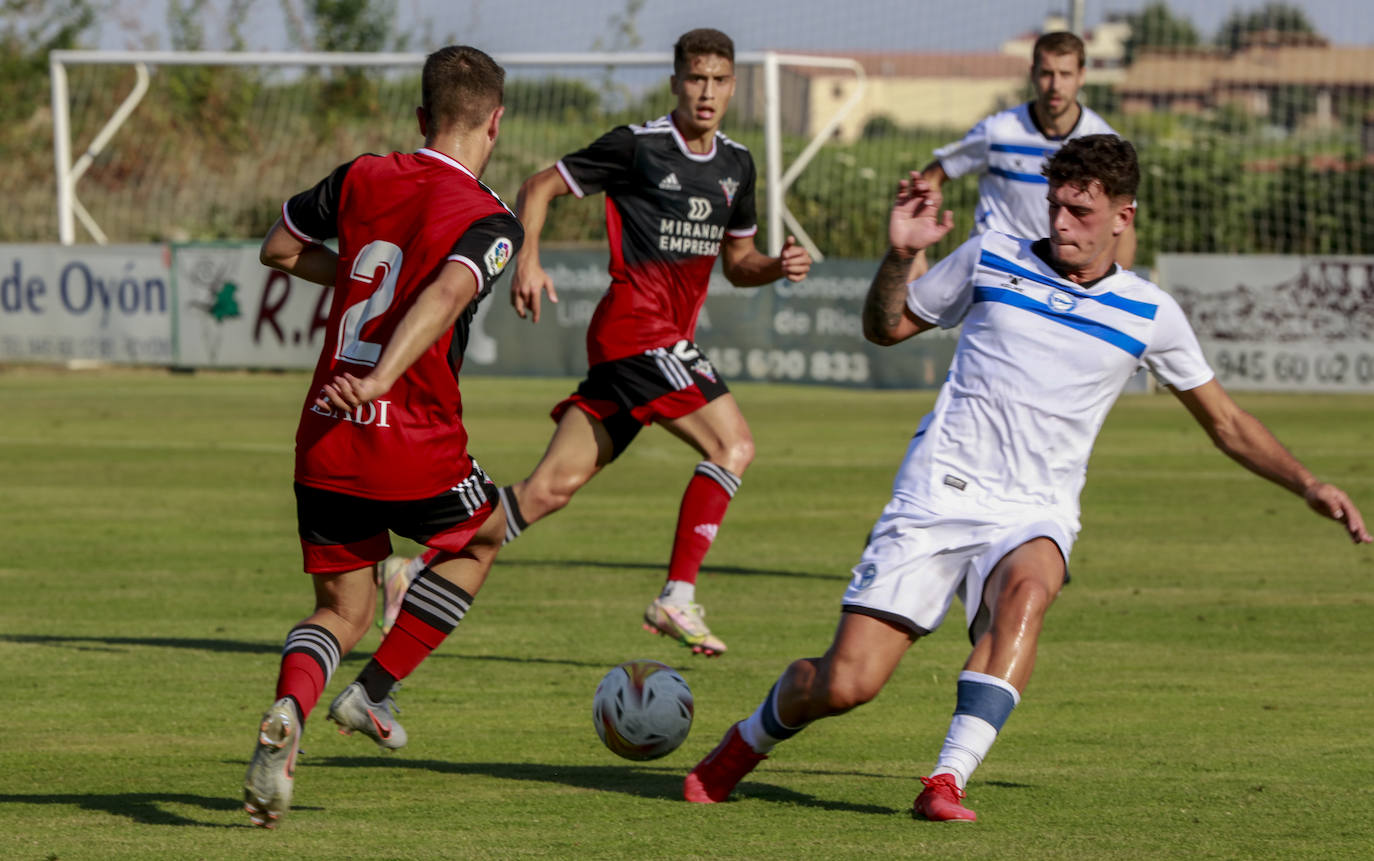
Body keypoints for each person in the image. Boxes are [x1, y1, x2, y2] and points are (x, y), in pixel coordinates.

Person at [682, 135, 1370, 820]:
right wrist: (898, 255)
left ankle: (946, 779)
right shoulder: (990, 256)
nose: (1062, 222)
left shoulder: (1150, 312)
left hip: (1036, 508)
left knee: (1030, 590)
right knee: (846, 683)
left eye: (1081, 211)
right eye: (1056, 206)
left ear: (1123, 217)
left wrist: (1308, 483)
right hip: (941, 487)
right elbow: (885, 327)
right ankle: (744, 742)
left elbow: (1226, 421)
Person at [377, 28, 812, 656]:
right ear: (675, 82)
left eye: (718, 80)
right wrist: (526, 259)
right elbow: (538, 185)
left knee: (547, 490)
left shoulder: (737, 165)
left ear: (734, 85)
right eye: (695, 78)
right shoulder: (639, 147)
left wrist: (778, 265)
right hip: (636, 330)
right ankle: (678, 596)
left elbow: (739, 261)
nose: (706, 91)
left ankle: (413, 573)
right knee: (734, 444)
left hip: (650, 349)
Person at [241, 45, 524, 829]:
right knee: (481, 539)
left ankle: (289, 712)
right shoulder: (492, 217)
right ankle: (373, 690)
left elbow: (280, 247)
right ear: (495, 123)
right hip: (411, 435)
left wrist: (365, 291)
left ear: (421, 117)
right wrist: (383, 375)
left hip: (327, 431)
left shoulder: (364, 174)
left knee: (341, 607)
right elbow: (446, 291)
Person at [922, 30, 1137, 268]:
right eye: (1047, 74)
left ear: (1081, 76)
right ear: (1032, 74)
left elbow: (1123, 228)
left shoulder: (1101, 141)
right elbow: (931, 177)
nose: (1055, 85)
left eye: (1065, 74)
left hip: (1059, 274)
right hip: (994, 269)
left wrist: (1117, 293)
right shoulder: (998, 131)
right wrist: (916, 253)